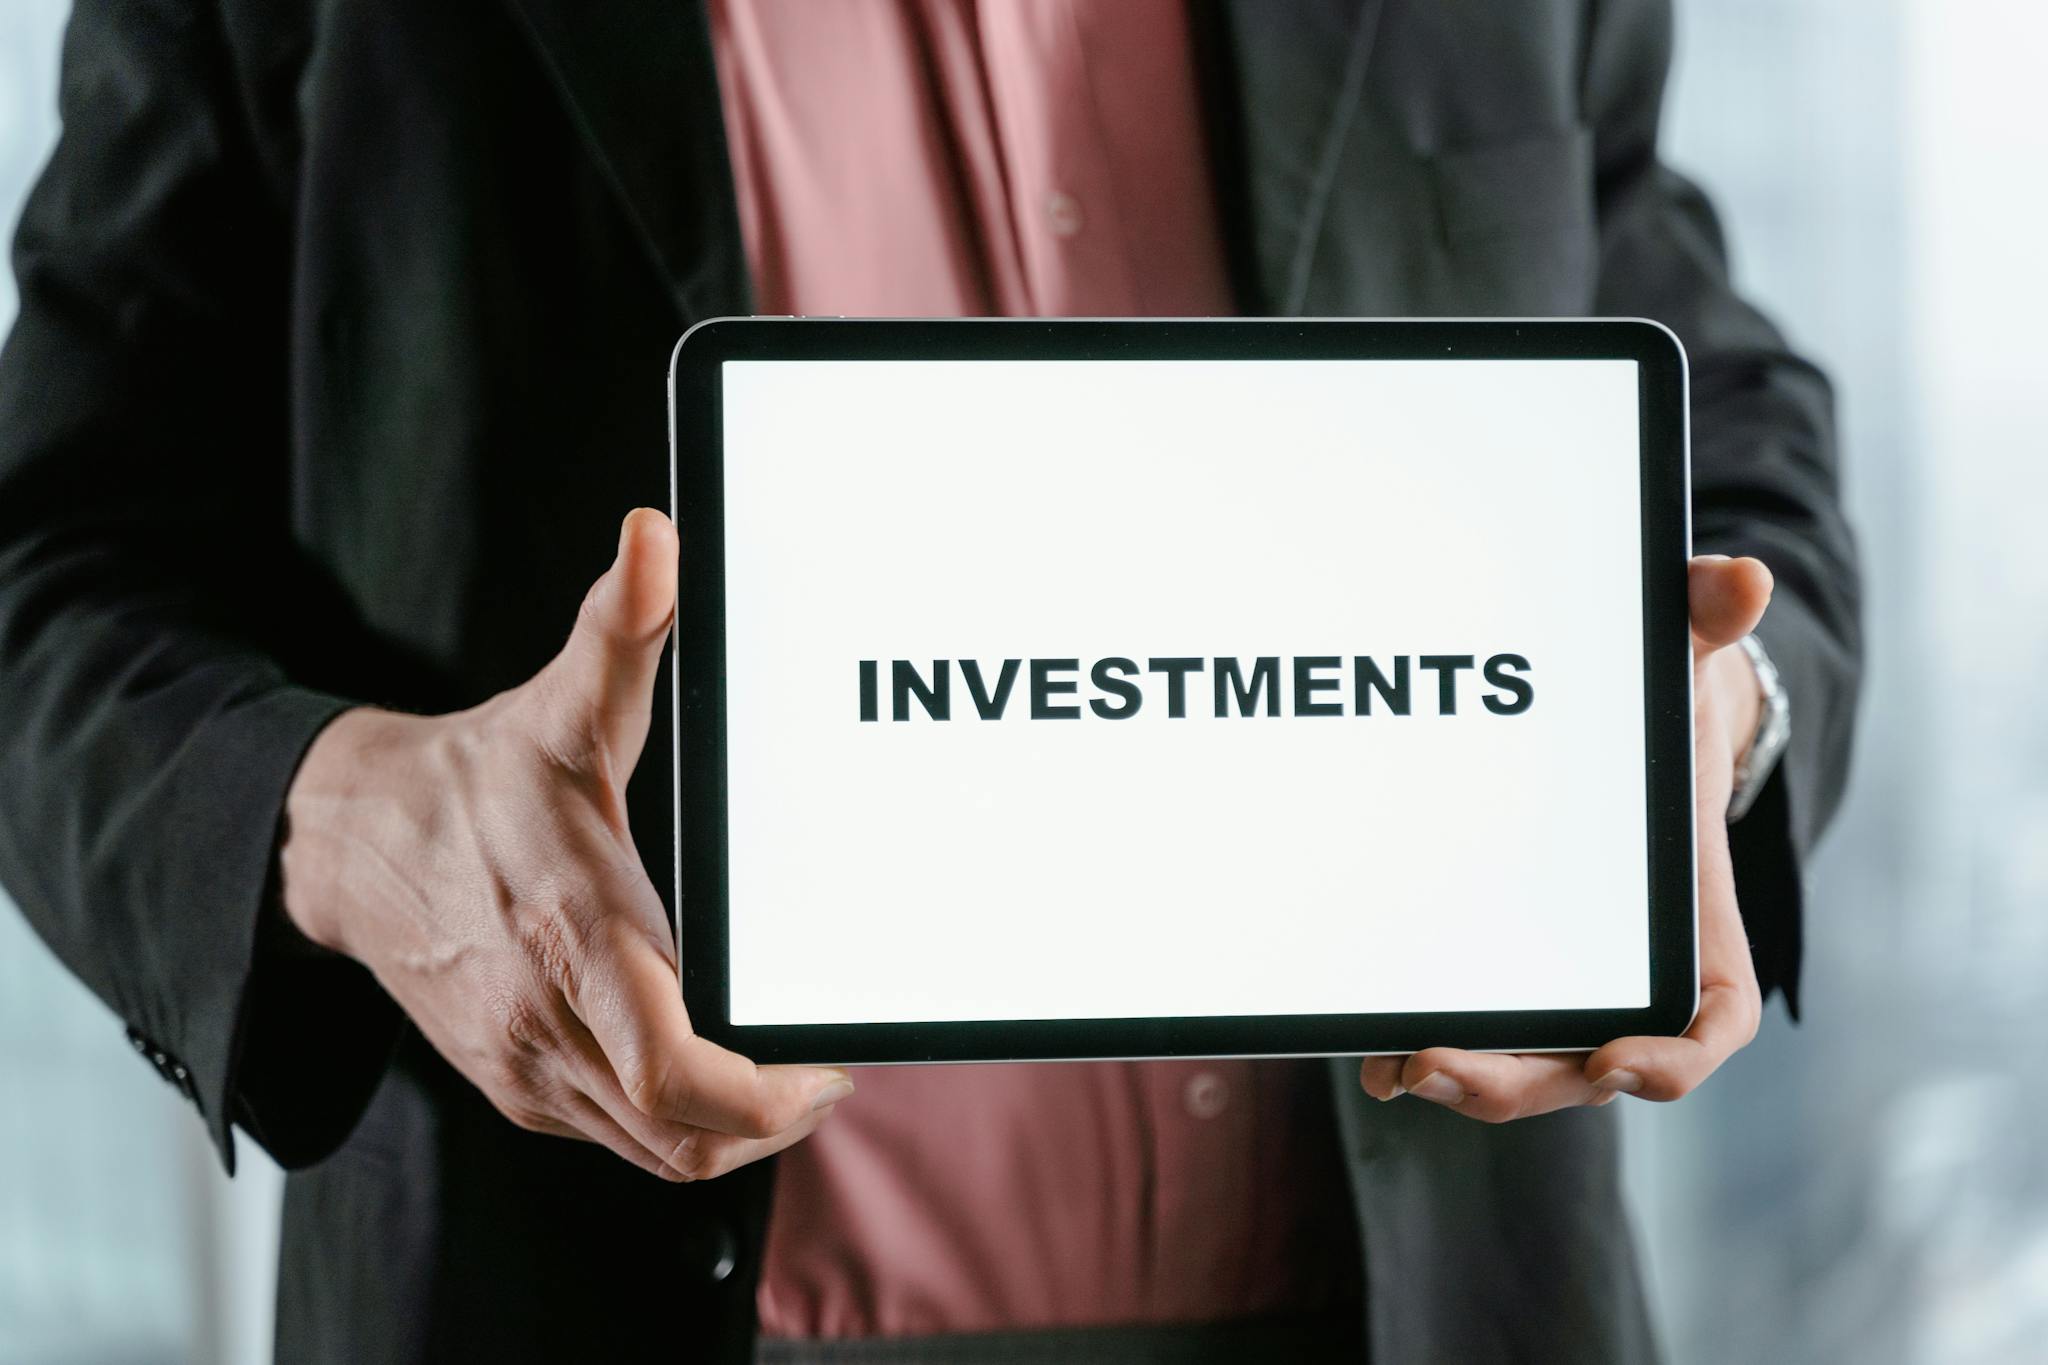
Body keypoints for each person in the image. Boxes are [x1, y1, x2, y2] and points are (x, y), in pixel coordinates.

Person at [0, 2, 1860, 1362]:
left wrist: (1713, 719)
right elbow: (51, 558)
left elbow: (1718, 417)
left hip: (1431, 1298)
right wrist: (347, 819)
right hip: (580, 1290)